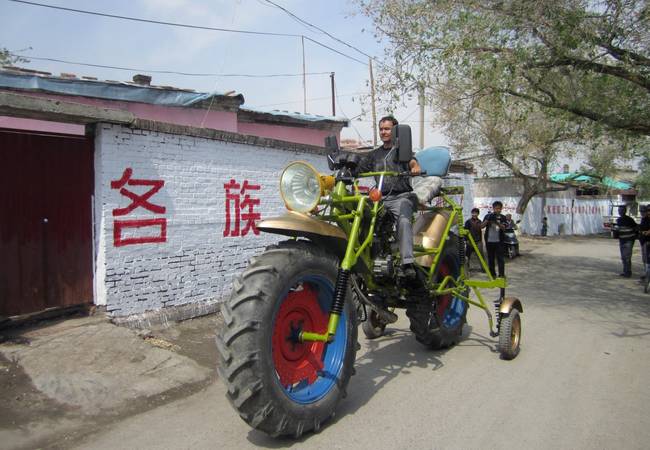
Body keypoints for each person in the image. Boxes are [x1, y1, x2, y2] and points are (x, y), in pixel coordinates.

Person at [359, 115, 421, 278]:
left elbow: (412, 162)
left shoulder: (403, 151)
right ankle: (364, 257)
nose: (383, 132)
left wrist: (415, 167)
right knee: (359, 216)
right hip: (380, 199)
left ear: (395, 131)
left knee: (404, 220)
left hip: (401, 196)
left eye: (387, 129)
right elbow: (359, 168)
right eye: (381, 129)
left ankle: (407, 263)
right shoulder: (374, 155)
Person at [482, 201, 507, 278]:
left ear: (501, 209)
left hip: (499, 241)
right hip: (489, 241)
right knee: (491, 258)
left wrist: (497, 222)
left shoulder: (503, 217)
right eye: (496, 208)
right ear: (493, 208)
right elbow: (481, 226)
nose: (497, 210)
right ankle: (492, 274)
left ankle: (501, 274)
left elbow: (504, 228)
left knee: (500, 259)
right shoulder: (488, 216)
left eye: (499, 208)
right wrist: (487, 220)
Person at [614, 205, 638, 278]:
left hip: (629, 241)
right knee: (623, 257)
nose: (620, 212)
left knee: (627, 257)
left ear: (625, 211)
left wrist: (634, 237)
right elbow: (617, 231)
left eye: (621, 210)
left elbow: (636, 228)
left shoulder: (630, 220)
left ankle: (628, 272)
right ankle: (625, 271)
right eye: (619, 210)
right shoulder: (618, 220)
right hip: (622, 240)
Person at [639, 207, 650, 280]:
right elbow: (641, 228)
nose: (642, 213)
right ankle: (646, 273)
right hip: (644, 241)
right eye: (641, 212)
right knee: (645, 258)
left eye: (644, 212)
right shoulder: (643, 219)